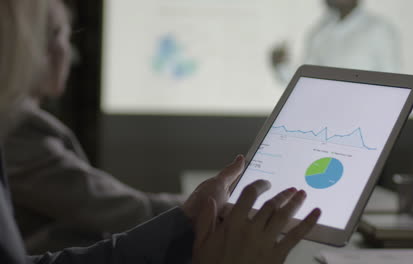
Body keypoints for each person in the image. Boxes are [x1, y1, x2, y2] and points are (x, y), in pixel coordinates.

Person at [0, 0, 321, 263]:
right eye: (61, 36)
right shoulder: (16, 127)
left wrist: (191, 212)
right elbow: (110, 208)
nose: (73, 55)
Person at [4, 0, 182, 254]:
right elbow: (118, 210)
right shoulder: (18, 127)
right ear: (42, 49)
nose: (73, 57)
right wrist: (206, 203)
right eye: (68, 39)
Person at [271, 0, 400, 83]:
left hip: (366, 113)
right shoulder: (320, 32)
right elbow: (307, 81)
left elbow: (393, 80)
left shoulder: (378, 29)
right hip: (327, 112)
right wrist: (281, 66)